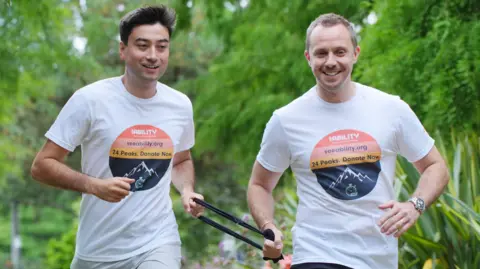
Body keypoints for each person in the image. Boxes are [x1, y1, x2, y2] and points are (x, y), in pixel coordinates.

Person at [247, 13, 449, 269]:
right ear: (308, 58)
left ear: (356, 53)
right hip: (317, 255)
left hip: (378, 258)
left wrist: (414, 205)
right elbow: (259, 184)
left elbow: (436, 167)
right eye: (321, 53)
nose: (331, 62)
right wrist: (268, 226)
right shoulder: (286, 120)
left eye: (340, 52)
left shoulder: (391, 109)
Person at [31, 5, 204, 269]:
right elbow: (42, 166)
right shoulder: (90, 100)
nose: (153, 56)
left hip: (158, 241)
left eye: (162, 47)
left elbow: (180, 161)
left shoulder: (179, 105)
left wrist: (187, 191)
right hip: (98, 250)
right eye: (142, 46)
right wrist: (94, 186)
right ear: (123, 50)